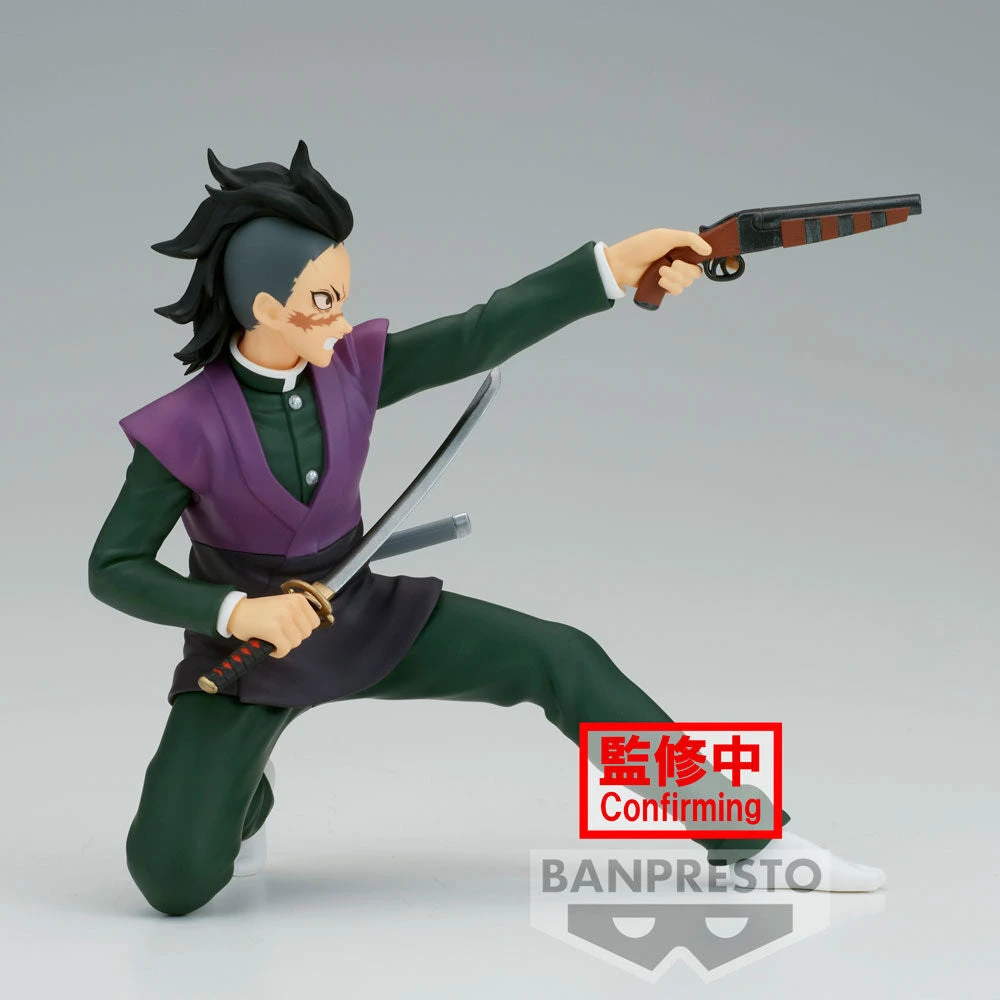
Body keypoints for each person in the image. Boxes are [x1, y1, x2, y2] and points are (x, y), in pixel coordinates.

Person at [89, 141, 884, 917]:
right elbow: (114, 565)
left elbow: (480, 332)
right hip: (246, 658)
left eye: (344, 295)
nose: (343, 318)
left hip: (359, 611)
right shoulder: (183, 426)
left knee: (558, 657)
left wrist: (612, 268)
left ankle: (746, 840)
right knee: (174, 881)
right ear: (267, 308)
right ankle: (244, 795)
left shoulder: (351, 369)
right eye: (325, 302)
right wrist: (237, 613)